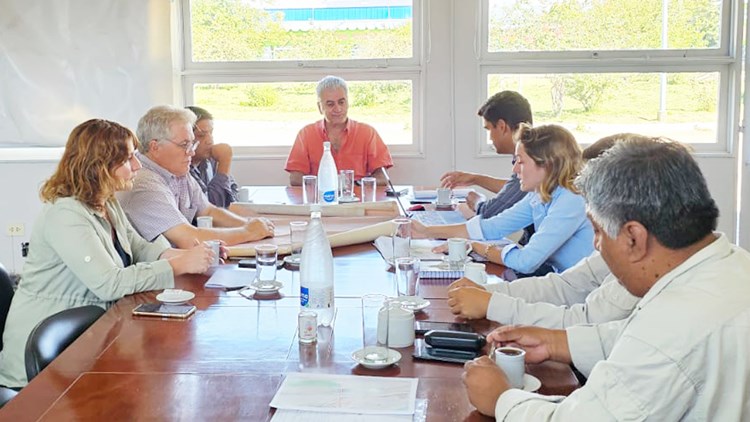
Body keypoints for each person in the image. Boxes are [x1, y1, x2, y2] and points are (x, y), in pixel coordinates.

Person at [463, 138, 750, 420]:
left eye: (597, 232)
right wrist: (555, 343)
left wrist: (503, 400)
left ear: (634, 237)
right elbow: (629, 335)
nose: (596, 245)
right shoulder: (729, 264)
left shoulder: (676, 324)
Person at [0, 119, 215, 388]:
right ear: (99, 165)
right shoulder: (65, 214)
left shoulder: (107, 203)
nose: (137, 166)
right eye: (127, 160)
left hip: (86, 342)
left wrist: (185, 256)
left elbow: (139, 247)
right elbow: (108, 283)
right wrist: (177, 265)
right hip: (43, 365)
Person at [445, 134, 645, 328]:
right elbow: (565, 285)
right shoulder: (548, 195)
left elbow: (585, 321)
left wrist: (492, 302)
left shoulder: (572, 199)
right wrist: (488, 293)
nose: (595, 242)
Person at [413, 124, 594, 276]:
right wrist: (426, 231)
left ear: (547, 164)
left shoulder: (572, 199)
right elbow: (492, 226)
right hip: (563, 280)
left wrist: (477, 247)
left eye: (520, 161)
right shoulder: (540, 194)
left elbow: (526, 261)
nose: (515, 170)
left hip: (585, 292)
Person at [118, 105, 274, 249]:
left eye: (192, 144)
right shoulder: (143, 182)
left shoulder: (177, 170)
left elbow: (208, 211)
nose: (191, 152)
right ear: (155, 147)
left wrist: (249, 224)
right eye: (184, 144)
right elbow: (189, 238)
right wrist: (248, 232)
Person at [284, 75, 394, 185]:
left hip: (357, 197)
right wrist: (326, 185)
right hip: (321, 197)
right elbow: (295, 179)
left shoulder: (367, 133)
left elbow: (383, 178)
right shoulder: (306, 134)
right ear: (319, 107)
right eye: (330, 104)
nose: (338, 109)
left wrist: (352, 185)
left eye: (341, 102)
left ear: (348, 103)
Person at [440, 91, 533, 219]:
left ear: (502, 126)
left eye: (489, 129)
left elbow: (489, 212)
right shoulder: (531, 154)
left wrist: (477, 200)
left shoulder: (530, 160)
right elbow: (516, 189)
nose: (490, 138)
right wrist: (475, 179)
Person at [186, 106, 238, 208]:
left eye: (211, 133)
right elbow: (214, 207)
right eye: (201, 136)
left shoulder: (211, 159)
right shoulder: (184, 167)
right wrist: (225, 163)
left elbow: (233, 193)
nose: (210, 141)